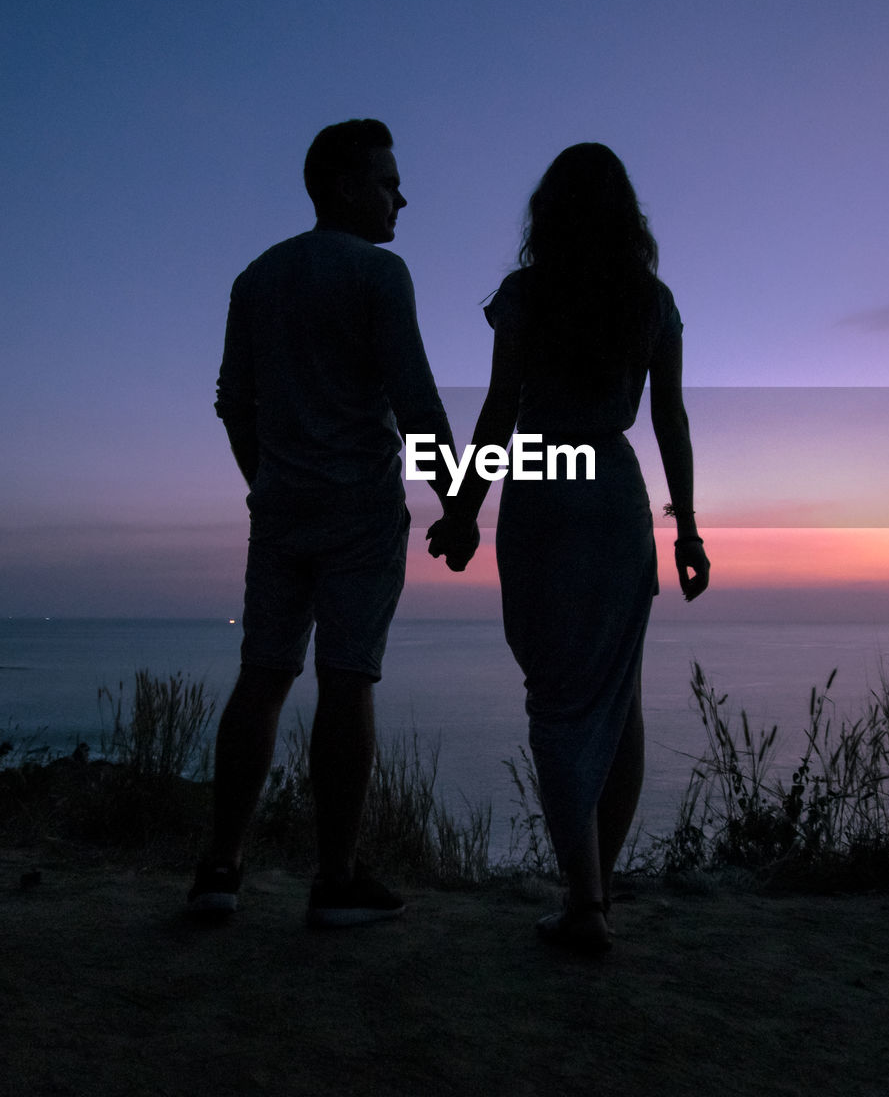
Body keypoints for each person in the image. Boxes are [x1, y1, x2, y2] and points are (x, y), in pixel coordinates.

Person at [428, 143, 709, 952]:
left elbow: (498, 411)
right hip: (617, 500)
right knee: (617, 703)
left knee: (555, 693)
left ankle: (585, 900)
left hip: (546, 488)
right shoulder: (652, 302)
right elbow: (671, 421)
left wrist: (462, 509)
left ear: (547, 214)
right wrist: (686, 529)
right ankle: (596, 890)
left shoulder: (525, 296)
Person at [189, 119, 471, 926]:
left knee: (264, 674)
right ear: (345, 187)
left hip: (279, 513)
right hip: (358, 513)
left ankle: (219, 869)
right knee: (347, 681)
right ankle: (336, 878)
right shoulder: (381, 274)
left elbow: (231, 404)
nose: (401, 196)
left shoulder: (257, 278)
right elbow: (416, 402)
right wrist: (457, 505)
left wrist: (267, 481)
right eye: (387, 182)